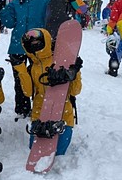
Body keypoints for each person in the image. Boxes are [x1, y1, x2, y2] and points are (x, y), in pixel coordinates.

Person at [0, 0, 50, 118]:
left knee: (39, 77)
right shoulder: (15, 2)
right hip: (18, 46)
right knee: (20, 80)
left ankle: (40, 106)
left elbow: (51, 19)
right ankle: (22, 109)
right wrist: (2, 9)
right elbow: (10, 23)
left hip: (38, 47)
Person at [18, 28, 82, 156]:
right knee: (36, 151)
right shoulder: (33, 67)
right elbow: (28, 92)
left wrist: (75, 72)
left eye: (38, 40)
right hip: (39, 114)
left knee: (58, 153)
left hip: (63, 115)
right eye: (31, 42)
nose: (35, 44)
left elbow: (75, 90)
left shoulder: (61, 61)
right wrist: (21, 69)